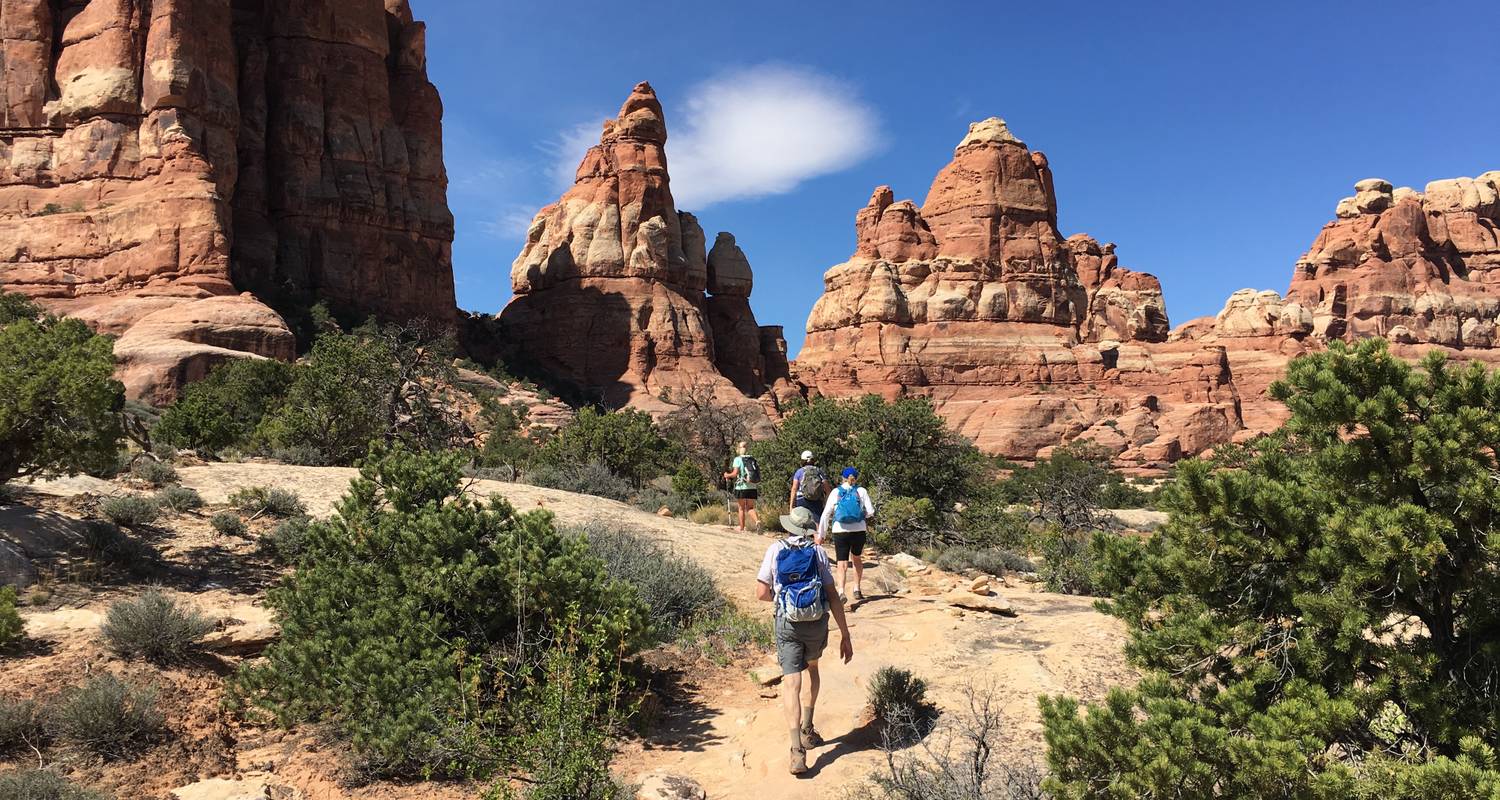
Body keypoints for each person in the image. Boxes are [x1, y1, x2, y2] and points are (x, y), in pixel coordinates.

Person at [756, 505, 853, 775]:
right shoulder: (818, 552)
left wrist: (782, 599)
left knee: (791, 684)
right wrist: (845, 634)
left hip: (787, 624)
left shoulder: (775, 550)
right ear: (808, 529)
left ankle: (797, 750)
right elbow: (833, 596)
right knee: (813, 670)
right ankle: (808, 729)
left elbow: (761, 592)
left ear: (789, 527)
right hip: (816, 623)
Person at [817, 467, 876, 607]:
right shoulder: (861, 491)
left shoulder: (836, 492)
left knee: (841, 563)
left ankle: (841, 591)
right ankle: (857, 588)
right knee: (856, 558)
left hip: (840, 530)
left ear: (842, 478)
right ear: (856, 478)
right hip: (859, 530)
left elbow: (826, 514)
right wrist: (862, 516)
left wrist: (822, 534)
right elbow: (871, 512)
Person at [723, 441, 760, 532]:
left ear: (739, 449)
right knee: (750, 507)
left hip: (742, 487)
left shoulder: (738, 459)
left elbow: (735, 474)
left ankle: (742, 527)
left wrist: (727, 475)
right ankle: (757, 521)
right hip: (752, 486)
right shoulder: (752, 459)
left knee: (741, 508)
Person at [788, 450, 831, 516]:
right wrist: (826, 503)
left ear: (802, 461)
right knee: (817, 522)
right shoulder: (819, 471)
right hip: (817, 500)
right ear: (813, 460)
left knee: (801, 521)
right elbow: (827, 490)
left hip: (802, 499)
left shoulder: (799, 472)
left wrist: (791, 506)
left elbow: (794, 489)